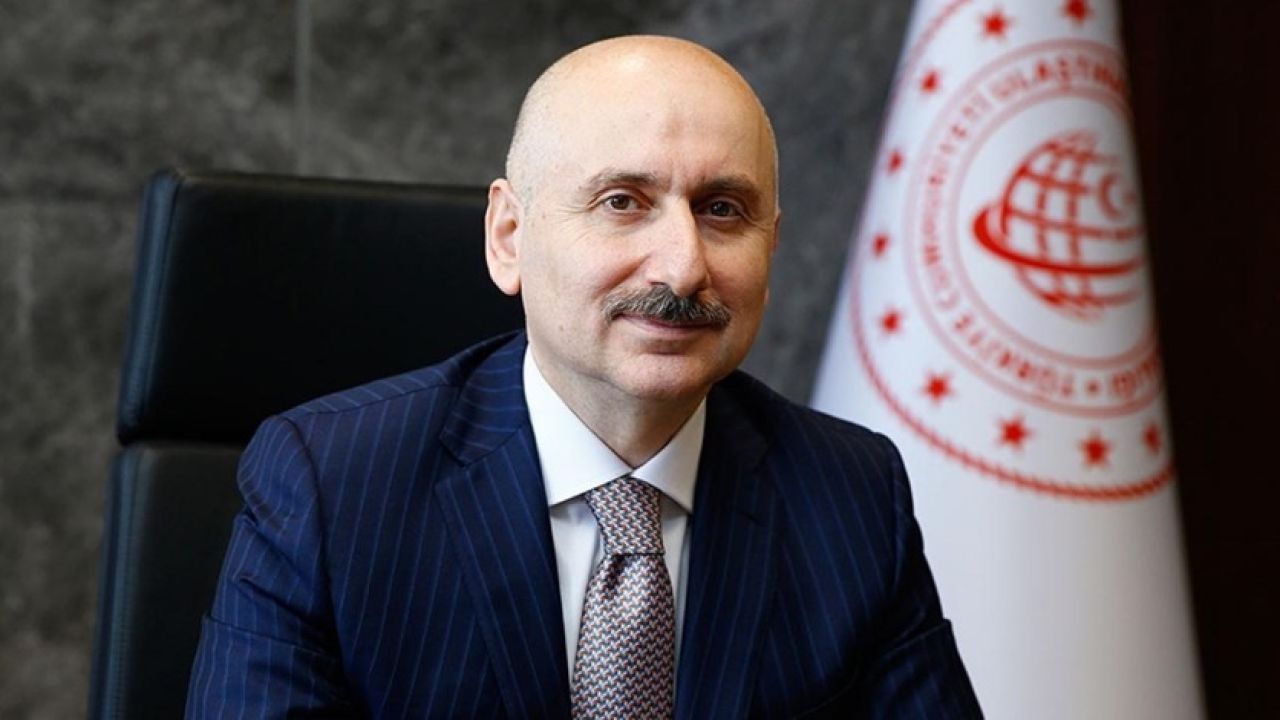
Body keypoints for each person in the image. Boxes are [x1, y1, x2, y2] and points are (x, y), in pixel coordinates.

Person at [186, 35, 981, 719]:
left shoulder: (851, 495)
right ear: (509, 237)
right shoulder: (331, 486)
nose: (682, 266)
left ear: (771, 248)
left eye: (722, 210)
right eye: (623, 202)